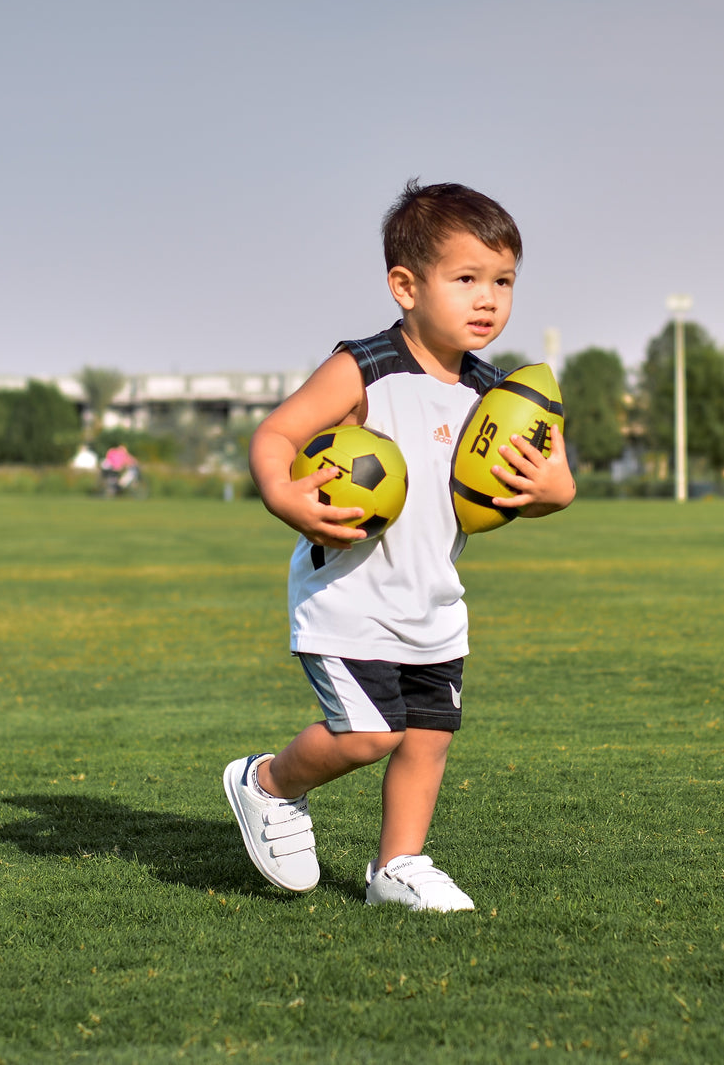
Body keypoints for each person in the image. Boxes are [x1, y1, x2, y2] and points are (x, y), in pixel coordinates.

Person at [224, 180, 576, 911]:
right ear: (405, 285)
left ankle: (397, 867)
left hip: (434, 601)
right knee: (368, 736)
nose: (489, 299)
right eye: (467, 279)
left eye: (503, 281)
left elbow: (557, 480)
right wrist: (282, 492)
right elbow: (276, 434)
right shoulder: (364, 366)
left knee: (428, 740)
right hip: (348, 599)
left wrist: (551, 492)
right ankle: (267, 783)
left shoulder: (498, 394)